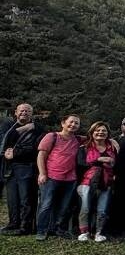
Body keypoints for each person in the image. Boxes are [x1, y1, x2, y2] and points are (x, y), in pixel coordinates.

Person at [35, 114, 82, 240]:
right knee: (46, 204)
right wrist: (42, 173)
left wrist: (114, 141)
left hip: (70, 179)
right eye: (71, 122)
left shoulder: (78, 139)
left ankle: (58, 229)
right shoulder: (52, 136)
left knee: (63, 206)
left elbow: (96, 137)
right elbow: (41, 156)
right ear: (63, 123)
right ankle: (41, 230)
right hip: (51, 177)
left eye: (76, 123)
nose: (73, 125)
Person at [1, 103, 45, 236]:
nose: (24, 113)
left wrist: (16, 153)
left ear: (31, 114)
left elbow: (36, 148)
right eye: (21, 110)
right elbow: (4, 141)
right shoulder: (8, 126)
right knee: (12, 198)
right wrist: (21, 130)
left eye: (27, 111)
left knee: (27, 198)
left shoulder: (38, 129)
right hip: (10, 167)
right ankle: (13, 223)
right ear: (15, 112)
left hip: (27, 167)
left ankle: (26, 227)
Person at [76, 121, 119, 242]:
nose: (100, 132)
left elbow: (116, 164)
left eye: (104, 131)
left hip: (106, 181)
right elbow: (80, 163)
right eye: (97, 130)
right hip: (87, 180)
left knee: (102, 209)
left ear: (107, 133)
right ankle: (84, 232)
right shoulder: (84, 147)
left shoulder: (112, 147)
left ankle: (99, 232)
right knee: (85, 207)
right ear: (92, 132)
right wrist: (98, 159)